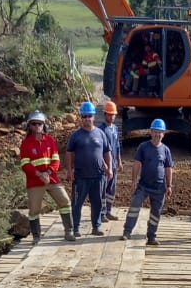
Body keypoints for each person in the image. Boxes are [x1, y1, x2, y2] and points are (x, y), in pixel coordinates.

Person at [18, 110, 75, 242]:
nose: (37, 126)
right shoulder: (26, 143)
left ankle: (69, 231)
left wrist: (48, 173)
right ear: (29, 126)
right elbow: (25, 164)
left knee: (65, 201)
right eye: (34, 123)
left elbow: (56, 160)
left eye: (40, 123)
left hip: (52, 179)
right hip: (34, 181)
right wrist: (39, 174)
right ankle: (36, 236)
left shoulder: (50, 140)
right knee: (34, 210)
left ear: (44, 125)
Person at [121, 118, 173, 246]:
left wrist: (169, 185)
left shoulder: (165, 150)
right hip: (143, 185)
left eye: (160, 132)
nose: (157, 135)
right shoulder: (143, 147)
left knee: (156, 213)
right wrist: (133, 180)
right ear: (151, 132)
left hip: (159, 187)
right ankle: (127, 232)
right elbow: (137, 164)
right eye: (155, 132)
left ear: (163, 134)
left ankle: (151, 237)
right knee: (134, 206)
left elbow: (168, 168)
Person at [65, 100, 111, 237]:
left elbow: (107, 151)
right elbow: (69, 153)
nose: (86, 119)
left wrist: (109, 168)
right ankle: (76, 228)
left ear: (94, 116)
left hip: (98, 176)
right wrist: (69, 170)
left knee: (97, 203)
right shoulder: (76, 135)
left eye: (89, 116)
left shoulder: (101, 134)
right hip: (80, 176)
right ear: (81, 118)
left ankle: (96, 227)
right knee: (77, 204)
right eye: (84, 116)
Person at [98, 101, 122, 223]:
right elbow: (99, 149)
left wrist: (119, 162)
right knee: (103, 189)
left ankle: (108, 210)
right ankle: (101, 213)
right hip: (105, 165)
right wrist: (105, 164)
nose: (111, 117)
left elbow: (117, 146)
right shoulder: (100, 129)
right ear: (105, 114)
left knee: (112, 189)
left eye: (113, 115)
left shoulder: (115, 129)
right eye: (109, 114)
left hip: (113, 165)